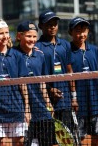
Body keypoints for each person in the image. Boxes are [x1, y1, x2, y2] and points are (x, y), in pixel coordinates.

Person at [0, 18, 30, 146]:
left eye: (6, 32)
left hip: (17, 107)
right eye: (0, 33)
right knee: (1, 143)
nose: (5, 36)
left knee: (20, 141)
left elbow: (23, 83)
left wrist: (27, 108)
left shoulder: (17, 55)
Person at [35, 10, 78, 142]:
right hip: (46, 103)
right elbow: (36, 76)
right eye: (48, 24)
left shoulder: (65, 44)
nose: (52, 26)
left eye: (55, 23)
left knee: (66, 140)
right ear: (40, 26)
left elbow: (69, 71)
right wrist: (49, 89)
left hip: (64, 103)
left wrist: (73, 97)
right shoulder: (36, 46)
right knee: (48, 140)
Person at [15, 21, 57, 146]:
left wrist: (48, 103)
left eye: (34, 37)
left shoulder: (40, 55)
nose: (32, 40)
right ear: (19, 36)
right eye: (28, 36)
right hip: (22, 108)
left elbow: (42, 82)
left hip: (42, 109)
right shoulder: (13, 54)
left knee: (47, 142)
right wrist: (26, 108)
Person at [68, 17, 98, 146]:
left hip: (96, 103)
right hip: (78, 105)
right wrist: (73, 99)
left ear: (88, 31)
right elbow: (69, 77)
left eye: (84, 30)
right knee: (77, 140)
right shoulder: (67, 50)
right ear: (71, 32)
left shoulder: (95, 50)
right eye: (78, 30)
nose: (82, 34)